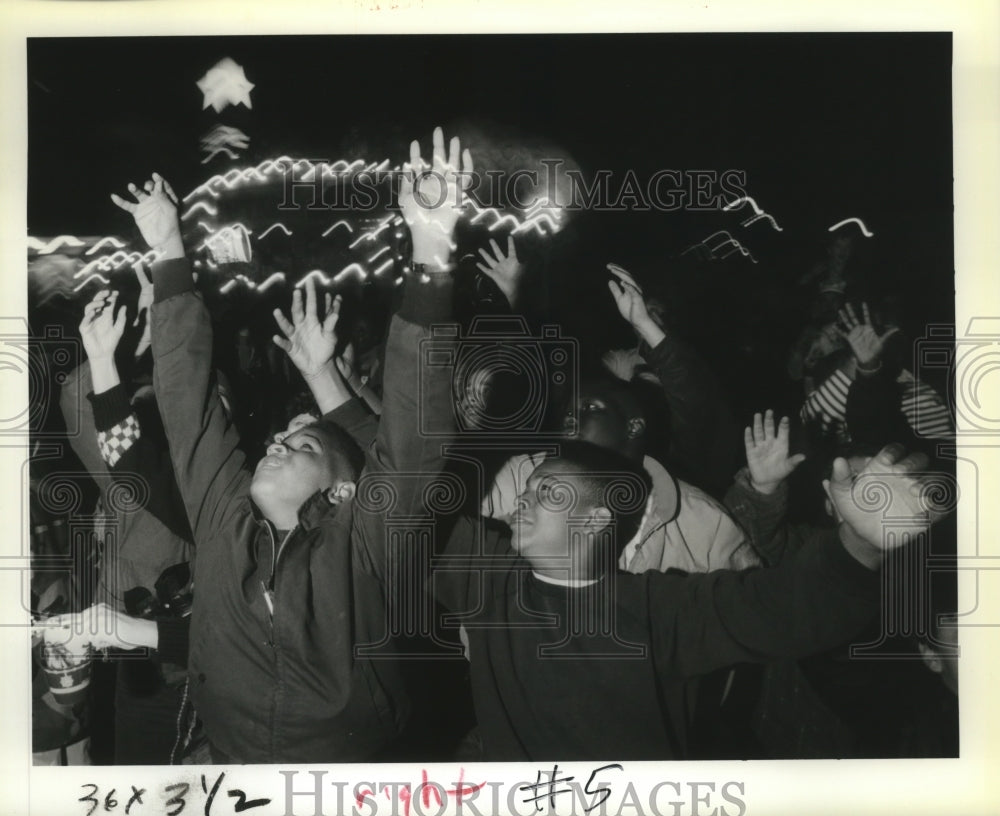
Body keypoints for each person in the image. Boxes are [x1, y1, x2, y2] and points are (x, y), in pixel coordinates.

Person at [104, 126, 471, 763]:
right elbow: (186, 406)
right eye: (285, 435)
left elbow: (414, 433)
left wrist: (432, 249)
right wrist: (167, 247)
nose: (277, 438)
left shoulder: (366, 543)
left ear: (345, 487)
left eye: (302, 445)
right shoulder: (224, 525)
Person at [433, 439, 933, 761]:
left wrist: (863, 543)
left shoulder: (659, 610)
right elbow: (407, 484)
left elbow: (784, 608)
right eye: (527, 490)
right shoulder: (486, 579)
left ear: (594, 521)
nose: (523, 499)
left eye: (547, 492)